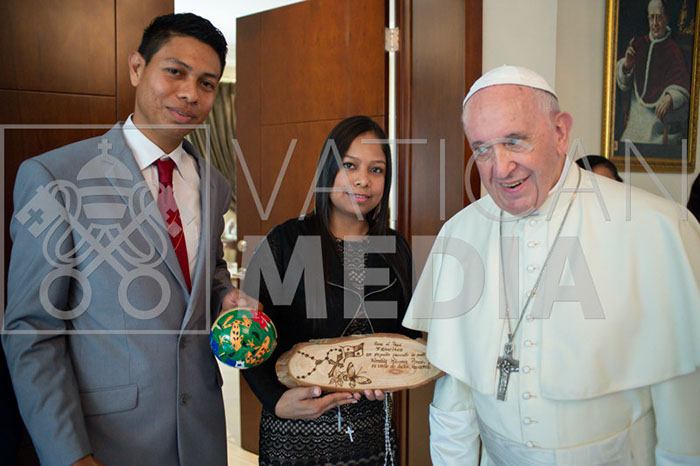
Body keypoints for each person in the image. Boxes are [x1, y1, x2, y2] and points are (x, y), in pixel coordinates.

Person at [403, 65, 700, 464]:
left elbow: (685, 408)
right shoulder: (460, 234)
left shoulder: (656, 228)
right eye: (482, 149)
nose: (499, 168)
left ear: (560, 132)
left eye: (514, 141)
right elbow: (454, 401)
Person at [2, 13, 259, 466]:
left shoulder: (214, 184)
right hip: (109, 440)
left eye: (206, 83)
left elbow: (206, 268)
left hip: (201, 431)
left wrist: (224, 294)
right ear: (137, 67)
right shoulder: (55, 177)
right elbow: (32, 331)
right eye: (175, 72)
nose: (190, 94)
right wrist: (68, 455)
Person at [241, 116, 420, 465]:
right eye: (349, 165)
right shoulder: (286, 241)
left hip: (372, 436)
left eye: (377, 170)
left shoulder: (394, 247)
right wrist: (274, 399)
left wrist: (392, 372)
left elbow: (407, 334)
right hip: (298, 437)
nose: (363, 180)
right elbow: (247, 335)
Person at [616, 0, 690, 145]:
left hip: (658, 122)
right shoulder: (638, 44)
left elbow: (682, 82)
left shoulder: (673, 50)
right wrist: (627, 66)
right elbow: (623, 85)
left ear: (666, 19)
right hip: (635, 118)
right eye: (651, 17)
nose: (655, 23)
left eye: (659, 17)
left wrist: (670, 97)